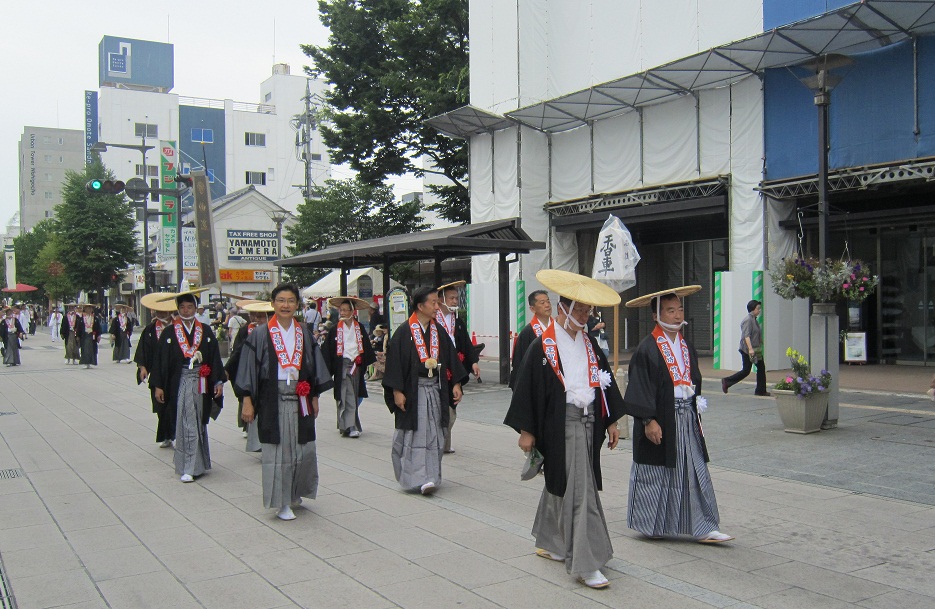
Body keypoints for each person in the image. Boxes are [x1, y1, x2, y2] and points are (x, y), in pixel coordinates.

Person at [504, 269, 625, 590]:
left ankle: (553, 540)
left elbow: (604, 382)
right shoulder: (542, 344)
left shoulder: (589, 343)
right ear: (563, 309)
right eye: (579, 309)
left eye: (587, 310)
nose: (584, 316)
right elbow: (526, 386)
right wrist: (526, 430)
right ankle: (585, 562)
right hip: (559, 424)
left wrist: (612, 419)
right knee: (578, 489)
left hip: (588, 423)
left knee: (564, 482)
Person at [622, 286, 733, 544]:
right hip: (661, 418)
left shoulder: (686, 346)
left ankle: (704, 526)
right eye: (670, 310)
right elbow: (639, 387)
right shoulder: (646, 348)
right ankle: (651, 522)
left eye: (679, 309)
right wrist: (648, 420)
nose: (676, 315)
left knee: (694, 469)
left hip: (686, 418)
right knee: (657, 473)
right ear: (656, 316)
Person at [236, 286, 333, 520]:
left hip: (301, 395)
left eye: (291, 301)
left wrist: (315, 397)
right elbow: (247, 369)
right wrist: (247, 400)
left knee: (303, 448)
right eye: (281, 300)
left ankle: (296, 493)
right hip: (273, 396)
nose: (286, 305)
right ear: (273, 303)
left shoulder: (304, 333)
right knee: (278, 451)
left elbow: (313, 367)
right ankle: (281, 502)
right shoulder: (260, 334)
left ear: (297, 305)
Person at [383, 286, 467, 494]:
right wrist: (396, 391)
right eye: (433, 303)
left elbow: (450, 359)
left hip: (435, 391)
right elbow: (394, 364)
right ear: (420, 306)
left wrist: (456, 383)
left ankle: (431, 477)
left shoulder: (439, 331)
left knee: (435, 434)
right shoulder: (403, 332)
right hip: (413, 391)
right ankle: (416, 478)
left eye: (438, 302)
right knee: (414, 434)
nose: (437, 307)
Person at [151, 289, 225, 483]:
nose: (186, 310)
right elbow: (159, 360)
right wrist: (158, 385)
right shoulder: (169, 332)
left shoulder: (205, 331)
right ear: (178, 309)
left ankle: (199, 462)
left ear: (195, 308)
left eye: (189, 306)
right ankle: (189, 466)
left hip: (201, 380)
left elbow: (215, 357)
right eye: (182, 307)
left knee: (198, 421)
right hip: (180, 381)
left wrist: (218, 381)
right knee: (186, 421)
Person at [435, 281, 480, 454]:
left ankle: (444, 443)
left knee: (452, 407)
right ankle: (440, 442)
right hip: (438, 368)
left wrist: (473, 361)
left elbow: (467, 343)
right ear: (441, 300)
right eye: (451, 298)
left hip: (455, 368)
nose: (455, 301)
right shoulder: (433, 320)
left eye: (456, 298)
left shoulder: (457, 321)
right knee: (442, 408)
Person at [324, 297, 377, 438]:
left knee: (352, 395)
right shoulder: (335, 329)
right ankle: (351, 426)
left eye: (346, 310)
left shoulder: (358, 327)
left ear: (352, 312)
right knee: (346, 395)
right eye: (341, 310)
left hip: (356, 365)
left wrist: (364, 360)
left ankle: (345, 424)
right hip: (342, 366)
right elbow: (328, 350)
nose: (343, 313)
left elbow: (365, 347)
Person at [134, 292, 178, 448]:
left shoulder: (177, 326)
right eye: (158, 310)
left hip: (175, 373)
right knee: (160, 405)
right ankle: (165, 435)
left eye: (164, 310)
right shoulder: (151, 329)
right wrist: (142, 367)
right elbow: (143, 350)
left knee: (174, 404)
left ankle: (175, 434)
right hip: (157, 373)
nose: (161, 313)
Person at [224, 299, 266, 452]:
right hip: (252, 376)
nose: (258, 319)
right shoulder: (246, 331)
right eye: (256, 316)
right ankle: (256, 440)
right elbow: (238, 351)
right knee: (250, 404)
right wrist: (228, 368)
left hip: (271, 379)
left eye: (262, 316)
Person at [721, 299, 768, 396]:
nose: (759, 310)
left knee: (761, 368)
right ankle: (727, 381)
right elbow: (746, 336)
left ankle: (761, 390)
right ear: (752, 309)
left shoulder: (754, 320)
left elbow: (755, 333)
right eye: (757, 309)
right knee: (746, 370)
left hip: (755, 349)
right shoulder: (748, 320)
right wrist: (750, 349)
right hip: (747, 350)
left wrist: (760, 341)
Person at [509, 290, 554, 389]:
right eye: (542, 303)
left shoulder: (558, 328)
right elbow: (520, 362)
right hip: (536, 382)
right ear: (532, 309)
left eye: (548, 301)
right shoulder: (527, 332)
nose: (547, 305)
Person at [76, 304, 101, 369]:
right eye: (87, 309)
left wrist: (98, 335)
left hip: (92, 335)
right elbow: (79, 328)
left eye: (90, 309)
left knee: (92, 350)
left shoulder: (95, 318)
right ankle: (85, 362)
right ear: (85, 309)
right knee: (85, 349)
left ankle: (90, 362)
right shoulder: (82, 318)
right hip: (84, 335)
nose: (89, 310)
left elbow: (98, 327)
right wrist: (78, 336)